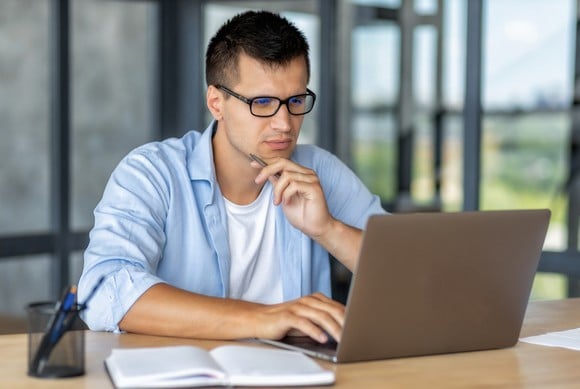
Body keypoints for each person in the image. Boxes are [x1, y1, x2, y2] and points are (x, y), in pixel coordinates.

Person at [78, 10, 385, 344]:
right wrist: (265, 318)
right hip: (191, 373)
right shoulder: (153, 173)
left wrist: (328, 229)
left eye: (295, 100)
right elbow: (103, 292)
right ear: (216, 103)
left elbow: (413, 277)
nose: (284, 123)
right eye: (263, 102)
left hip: (301, 374)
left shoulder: (320, 171)